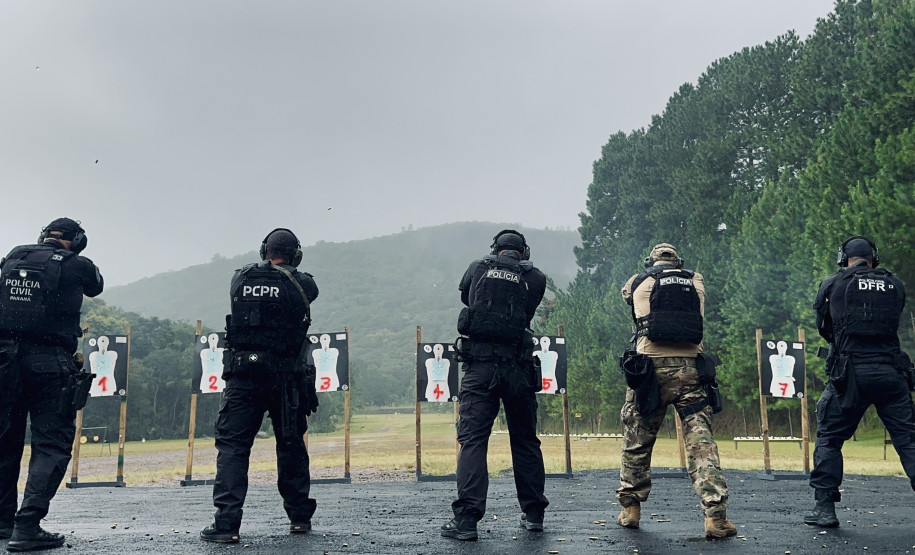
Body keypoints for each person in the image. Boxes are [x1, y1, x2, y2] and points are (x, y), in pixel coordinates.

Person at [201, 228, 320, 544]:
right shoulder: (302, 282)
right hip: (286, 377)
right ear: (295, 254)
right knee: (291, 444)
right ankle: (299, 519)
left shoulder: (240, 278)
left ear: (263, 250)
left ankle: (226, 525)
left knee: (233, 447)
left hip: (243, 376)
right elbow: (309, 291)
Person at [617, 243, 736, 539]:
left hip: (650, 372)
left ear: (651, 261)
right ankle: (716, 517)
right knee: (702, 446)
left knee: (638, 440)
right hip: (691, 371)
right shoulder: (696, 280)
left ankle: (630, 509)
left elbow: (627, 300)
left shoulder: (637, 281)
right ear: (678, 261)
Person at [0, 218, 104, 552]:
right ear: (77, 241)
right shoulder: (78, 264)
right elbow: (96, 285)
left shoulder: (14, 256)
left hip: (4, 361)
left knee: (4, 441)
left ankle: (2, 523)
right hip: (49, 364)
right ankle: (27, 525)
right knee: (51, 444)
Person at [442, 229, 548, 541]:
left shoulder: (478, 268)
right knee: (525, 440)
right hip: (518, 367)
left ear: (496, 249)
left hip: (480, 366)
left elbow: (467, 296)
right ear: (523, 252)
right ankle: (534, 515)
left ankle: (467, 521)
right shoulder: (536, 277)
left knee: (473, 441)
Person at [806, 236, 915, 527]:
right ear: (873, 258)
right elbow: (899, 323)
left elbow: (824, 327)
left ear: (844, 258)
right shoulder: (895, 285)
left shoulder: (834, 283)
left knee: (829, 437)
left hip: (850, 373)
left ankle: (825, 509)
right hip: (892, 372)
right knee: (908, 440)